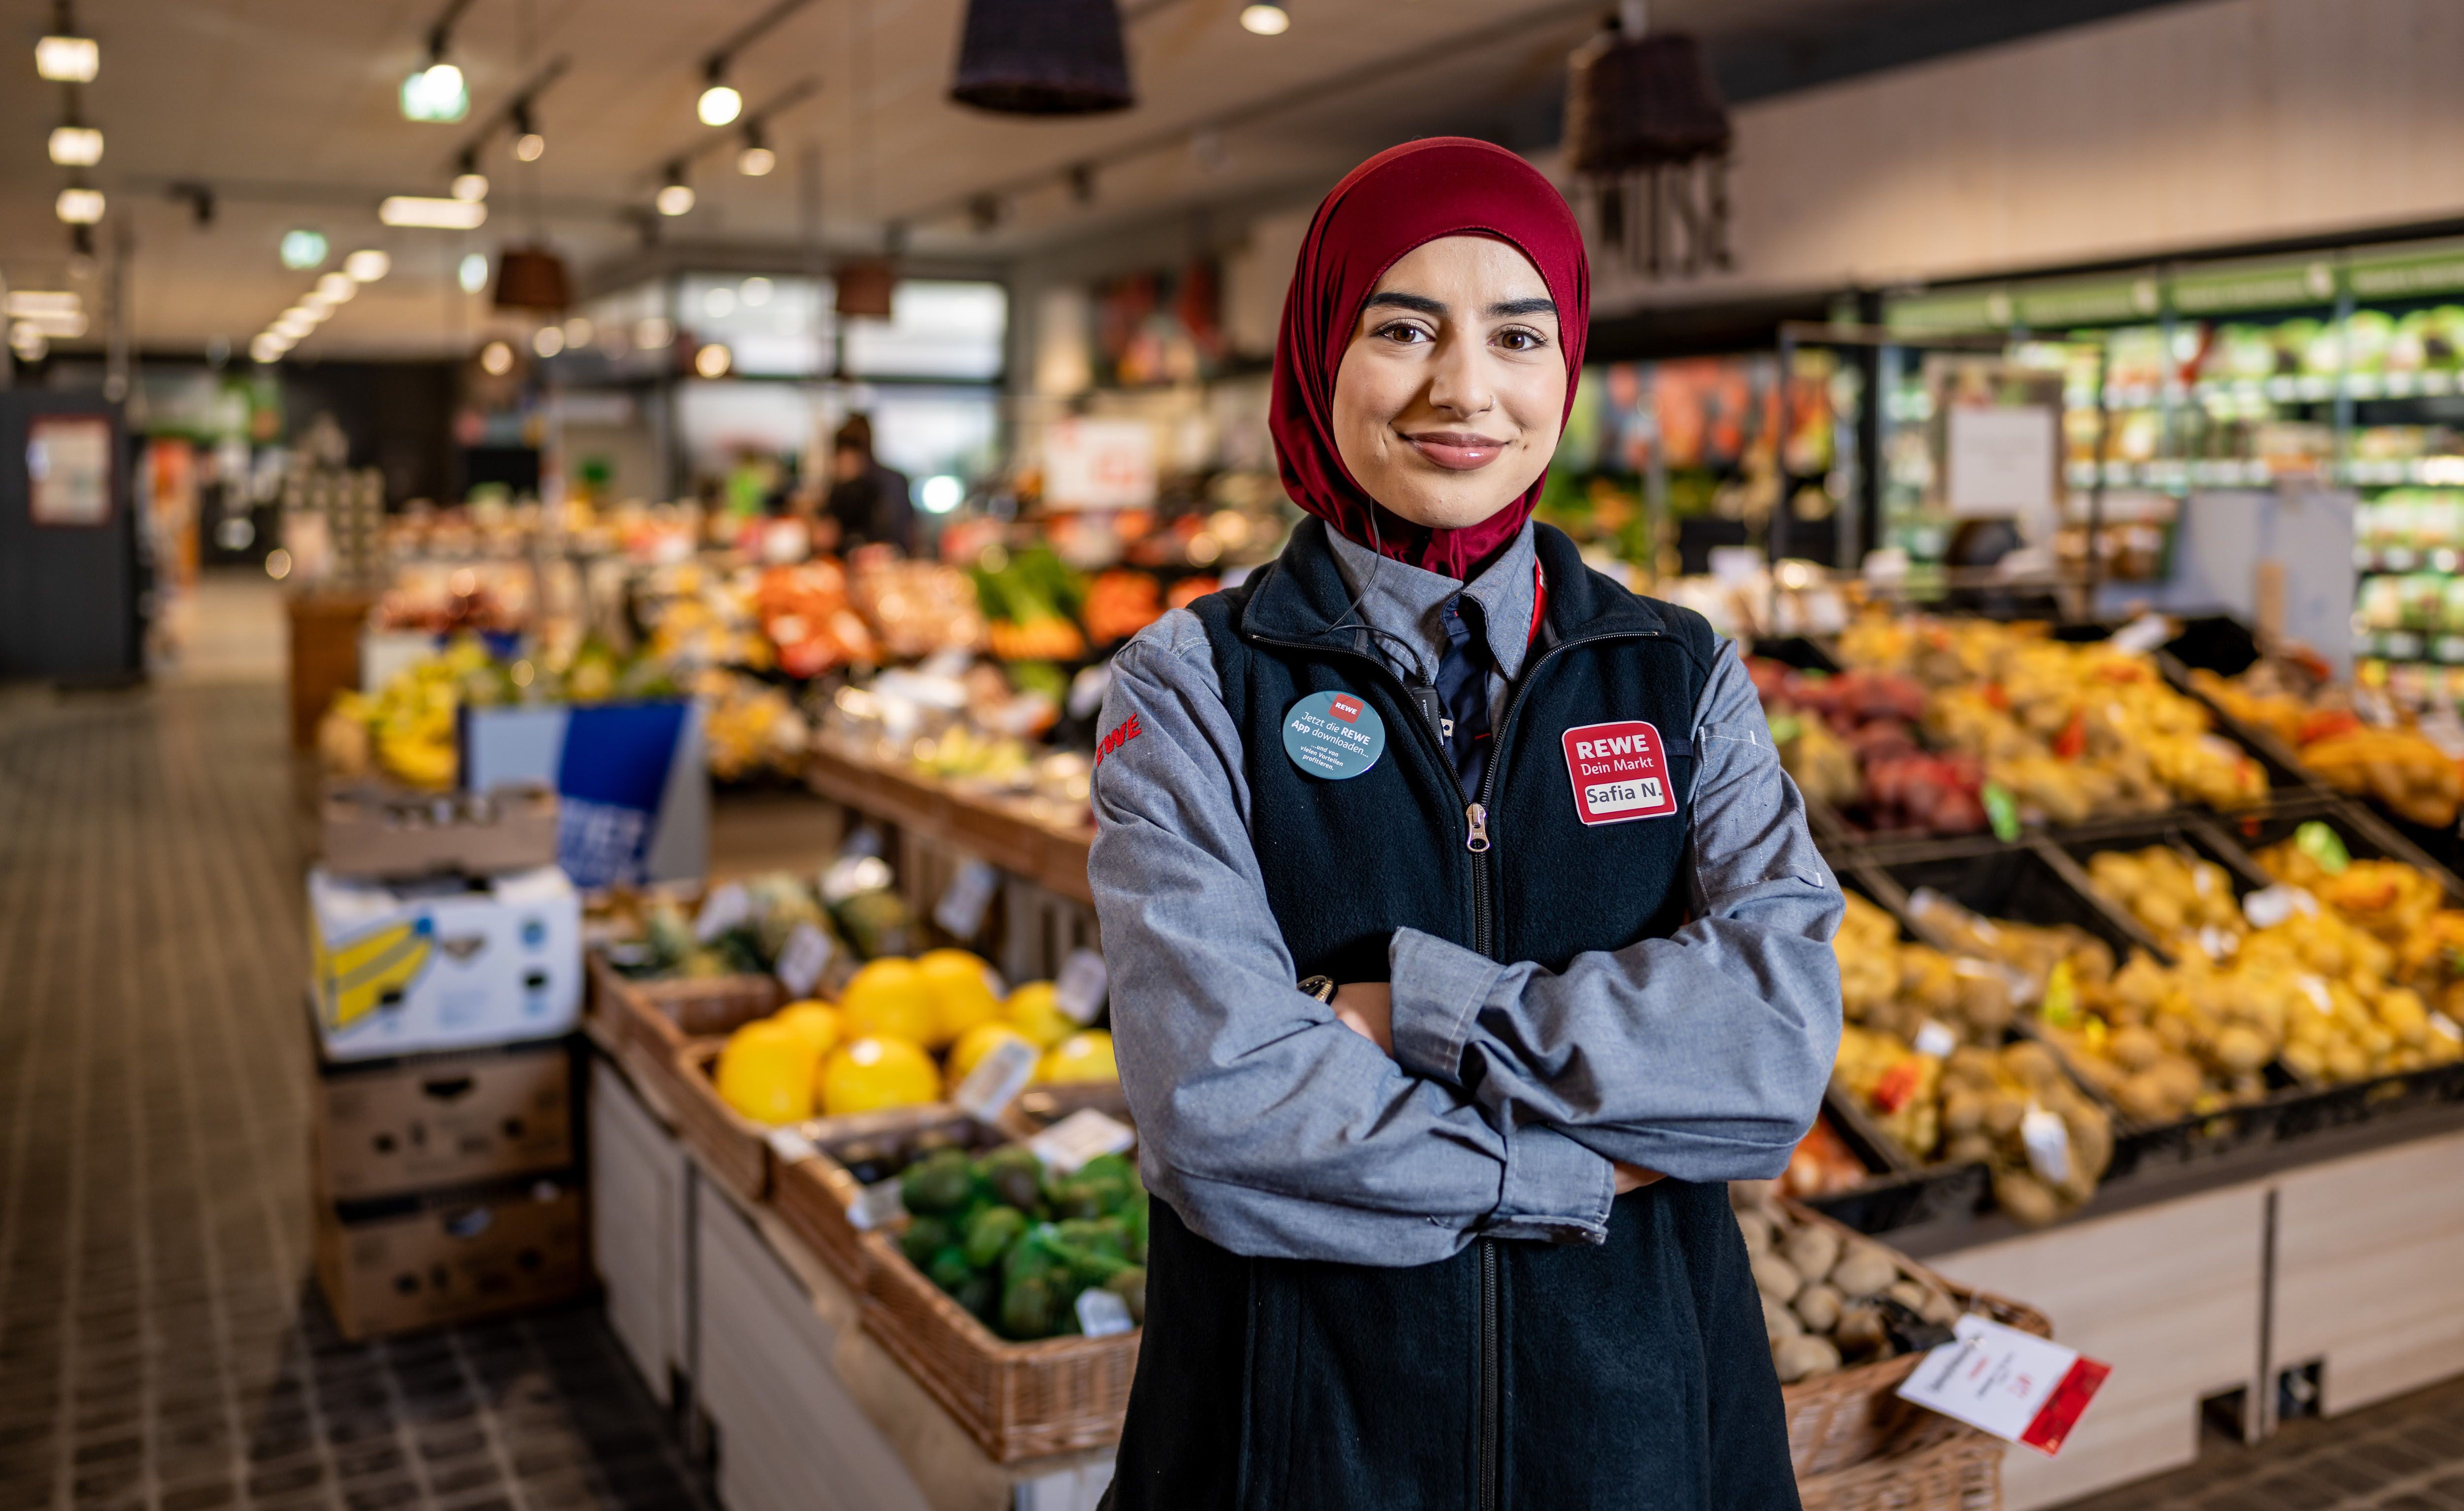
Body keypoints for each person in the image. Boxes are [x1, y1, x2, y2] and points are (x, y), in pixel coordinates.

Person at [1086, 138, 1844, 1509]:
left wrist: (1419, 1008)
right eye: (1402, 327)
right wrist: (1565, 1166)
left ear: (1568, 366)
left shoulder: (1676, 673)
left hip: (1646, 1447)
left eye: (1517, 334)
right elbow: (1221, 1106)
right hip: (1297, 1448)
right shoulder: (1198, 677)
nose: (1465, 389)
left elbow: (1774, 1048)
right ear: (1320, 352)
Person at [823, 413, 916, 553]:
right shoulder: (839, 486)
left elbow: (906, 532)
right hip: (884, 561)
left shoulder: (889, 482)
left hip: (885, 561)